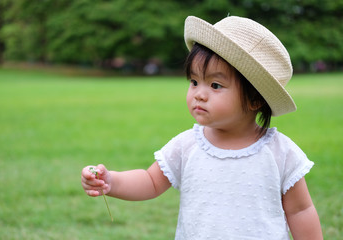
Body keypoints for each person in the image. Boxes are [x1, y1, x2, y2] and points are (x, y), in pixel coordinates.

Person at [81, 15, 323, 239]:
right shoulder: (188, 145)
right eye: (194, 82)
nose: (199, 94)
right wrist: (111, 181)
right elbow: (150, 181)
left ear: (255, 100)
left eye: (215, 85)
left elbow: (300, 211)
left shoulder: (280, 152)